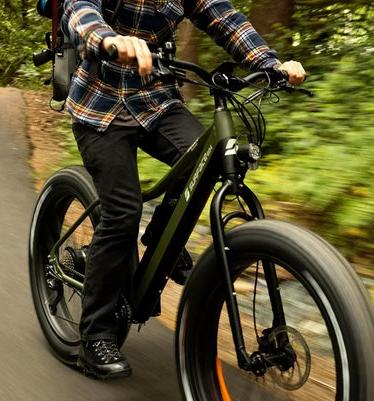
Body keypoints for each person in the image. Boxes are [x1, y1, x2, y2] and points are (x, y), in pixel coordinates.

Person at [60, 0, 306, 380]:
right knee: (122, 212)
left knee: (208, 159)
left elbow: (225, 19)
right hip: (99, 107)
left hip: (157, 102)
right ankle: (96, 335)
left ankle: (162, 240)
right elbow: (80, 10)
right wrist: (108, 38)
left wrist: (269, 63)